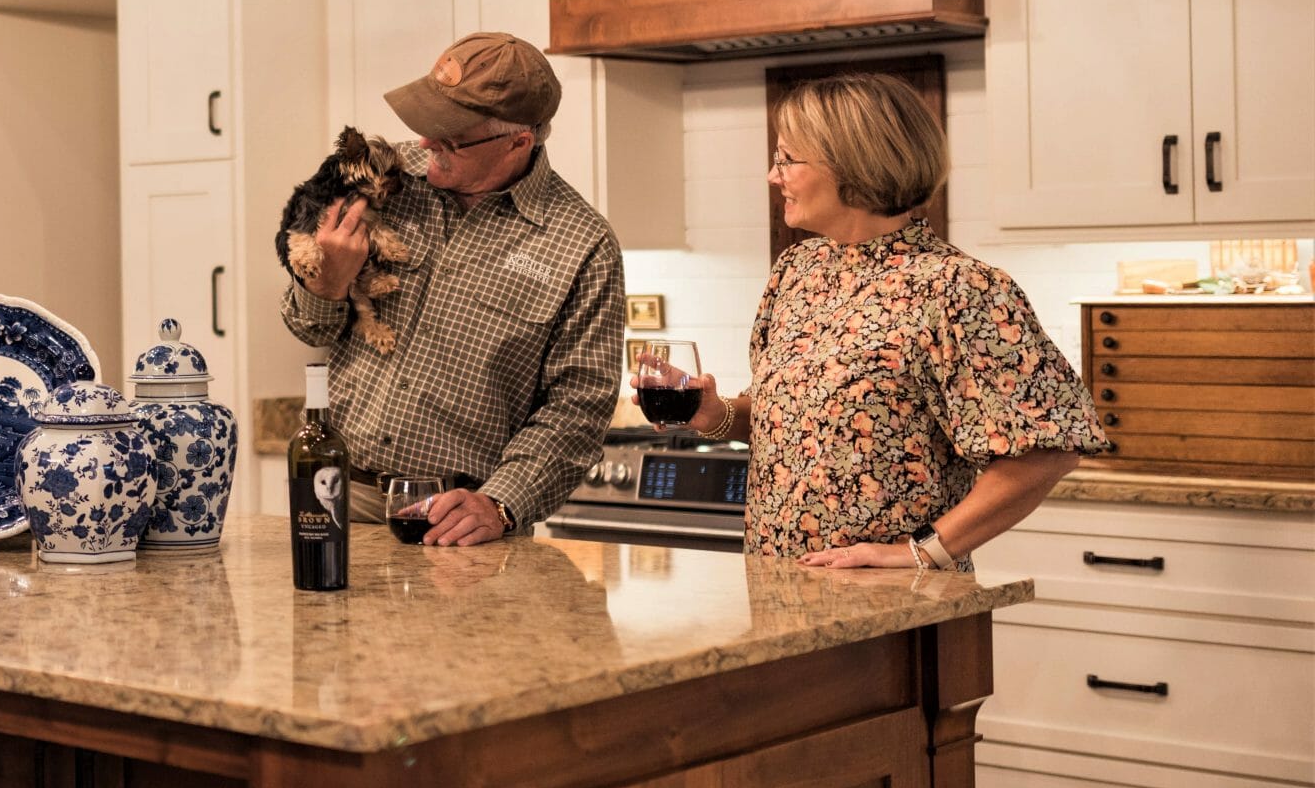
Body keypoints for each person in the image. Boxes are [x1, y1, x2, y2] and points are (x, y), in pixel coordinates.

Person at [669, 74, 1106, 569]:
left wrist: (921, 552)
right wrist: (716, 414)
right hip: (779, 589)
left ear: (853, 164)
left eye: (787, 159)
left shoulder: (959, 288)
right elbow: (800, 429)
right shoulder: (798, 270)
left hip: (896, 599)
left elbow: (1048, 450)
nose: (774, 176)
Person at [282, 32, 625, 545]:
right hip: (334, 498)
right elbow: (307, 327)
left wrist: (501, 503)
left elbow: (577, 408)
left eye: (451, 137)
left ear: (518, 141)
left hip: (459, 523)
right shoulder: (384, 177)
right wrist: (326, 284)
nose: (425, 144)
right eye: (427, 126)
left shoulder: (581, 243)